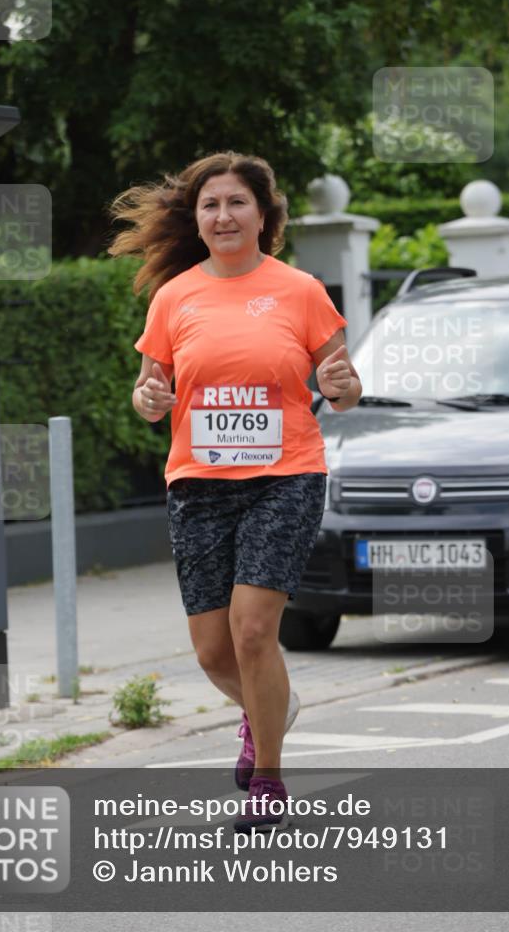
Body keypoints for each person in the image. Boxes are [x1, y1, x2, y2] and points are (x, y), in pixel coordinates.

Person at [108, 151, 362, 832]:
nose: (223, 215)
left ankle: (269, 781)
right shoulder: (175, 296)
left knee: (253, 631)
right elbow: (148, 393)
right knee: (212, 652)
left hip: (284, 477)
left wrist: (342, 388)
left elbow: (342, 384)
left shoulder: (300, 290)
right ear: (197, 220)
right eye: (210, 205)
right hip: (198, 484)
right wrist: (147, 396)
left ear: (262, 213)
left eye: (235, 202)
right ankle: (266, 709)